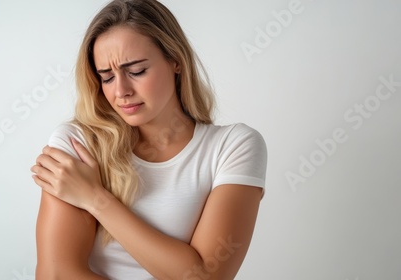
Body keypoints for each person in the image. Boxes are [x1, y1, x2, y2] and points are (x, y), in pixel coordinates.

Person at [30, 0, 267, 279]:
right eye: (106, 77)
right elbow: (56, 274)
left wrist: (96, 199)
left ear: (175, 60)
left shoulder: (233, 146)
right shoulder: (78, 143)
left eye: (137, 71)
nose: (121, 91)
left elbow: (204, 275)